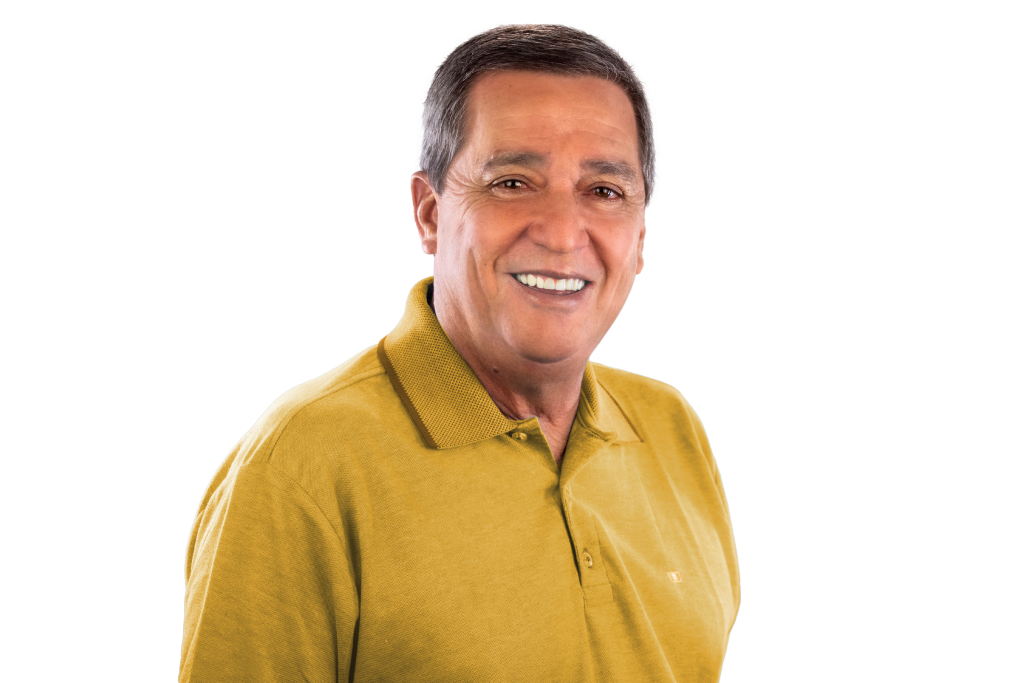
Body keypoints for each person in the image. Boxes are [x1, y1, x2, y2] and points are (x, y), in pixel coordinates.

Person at [180, 22, 740, 683]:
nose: (563, 234)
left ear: (640, 237)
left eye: (604, 191)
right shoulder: (298, 464)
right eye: (512, 182)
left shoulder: (672, 428)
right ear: (429, 212)